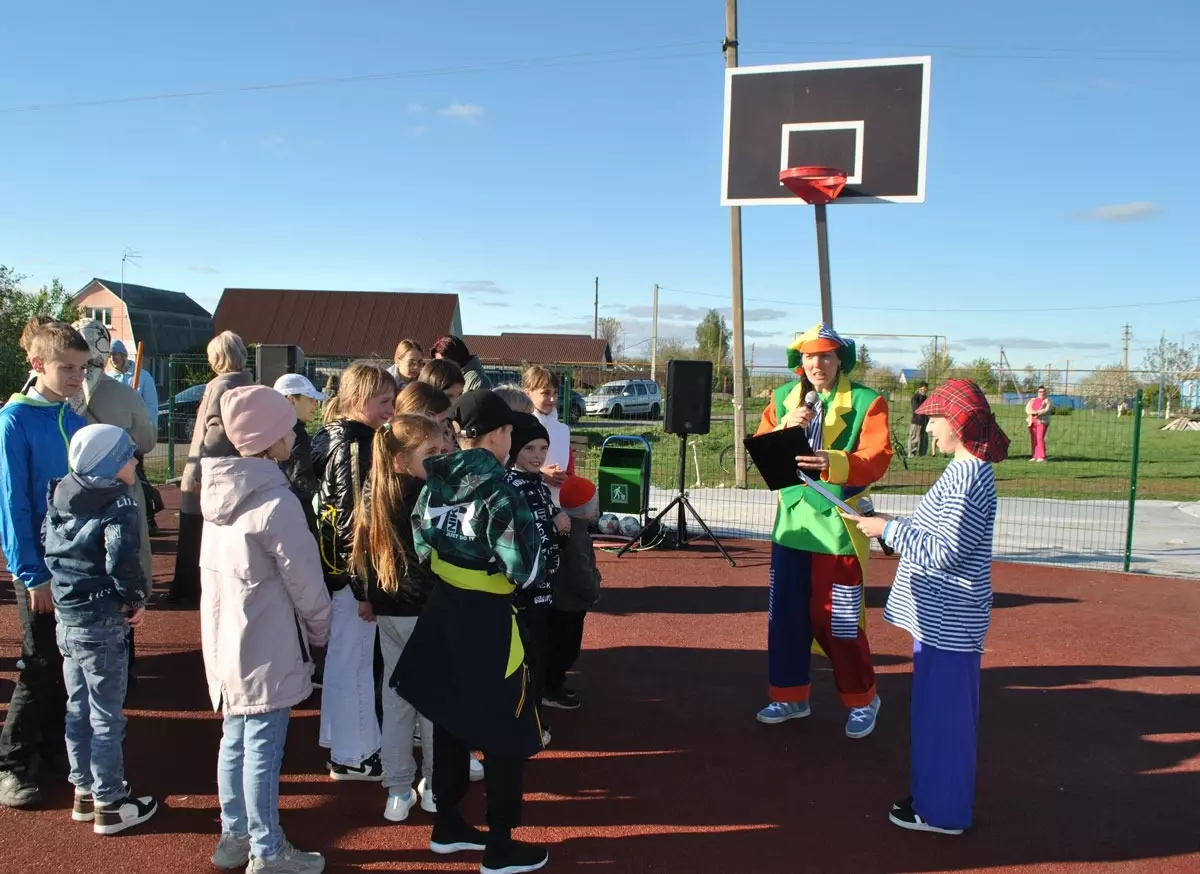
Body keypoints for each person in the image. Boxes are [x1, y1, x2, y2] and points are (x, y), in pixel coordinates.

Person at [391, 390, 549, 874]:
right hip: (489, 619)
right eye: (508, 432)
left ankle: (449, 823)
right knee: (506, 729)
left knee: (451, 716)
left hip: (444, 611)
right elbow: (526, 568)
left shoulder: (435, 480)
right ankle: (500, 846)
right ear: (499, 436)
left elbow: (421, 543)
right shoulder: (501, 490)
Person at [844, 379, 1008, 835]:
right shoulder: (963, 470)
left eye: (936, 418)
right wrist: (888, 524)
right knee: (935, 718)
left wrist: (887, 532)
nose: (929, 425)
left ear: (959, 424)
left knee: (946, 722)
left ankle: (943, 812)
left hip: (951, 622)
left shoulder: (969, 476)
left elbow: (946, 551)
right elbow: (936, 530)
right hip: (940, 619)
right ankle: (934, 796)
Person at [200, 385, 332, 873]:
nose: (294, 436)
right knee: (262, 747)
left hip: (227, 639)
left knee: (234, 739)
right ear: (271, 438)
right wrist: (322, 630)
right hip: (268, 639)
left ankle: (235, 834)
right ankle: (268, 848)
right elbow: (305, 581)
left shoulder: (217, 492)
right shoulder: (276, 502)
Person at [753, 324, 893, 738]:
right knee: (786, 618)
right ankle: (790, 694)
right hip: (792, 524)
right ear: (800, 361)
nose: (817, 364)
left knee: (841, 622)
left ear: (840, 360)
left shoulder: (868, 401)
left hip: (837, 527)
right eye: (809, 356)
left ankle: (863, 698)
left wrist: (832, 460)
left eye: (826, 356)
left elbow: (876, 457)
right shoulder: (782, 398)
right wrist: (784, 429)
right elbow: (762, 451)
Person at [44, 424, 159, 834]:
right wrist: (134, 598)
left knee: (78, 707)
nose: (135, 461)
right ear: (111, 465)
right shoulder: (119, 505)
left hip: (68, 616)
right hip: (103, 618)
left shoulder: (60, 494)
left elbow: (50, 545)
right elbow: (120, 560)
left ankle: (84, 791)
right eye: (129, 455)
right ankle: (110, 802)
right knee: (107, 714)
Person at [0, 321, 89, 808]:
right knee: (38, 662)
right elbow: (12, 505)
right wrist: (32, 574)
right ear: (37, 366)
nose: (78, 377)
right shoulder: (15, 420)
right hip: (40, 567)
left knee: (66, 658)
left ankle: (51, 749)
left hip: (74, 562)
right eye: (68, 369)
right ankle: (11, 762)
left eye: (82, 368)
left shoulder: (70, 416)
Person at [350, 413, 444, 822]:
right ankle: (436, 785)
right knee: (436, 703)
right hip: (426, 610)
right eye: (432, 453)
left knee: (398, 700)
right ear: (402, 458)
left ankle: (398, 791)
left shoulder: (373, 491)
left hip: (390, 610)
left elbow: (358, 549)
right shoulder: (428, 495)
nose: (441, 459)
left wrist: (366, 595)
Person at [312, 362, 396, 781]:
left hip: (339, 573)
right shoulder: (355, 446)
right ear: (358, 400)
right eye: (384, 402)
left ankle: (343, 744)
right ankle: (354, 753)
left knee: (347, 660)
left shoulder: (336, 439)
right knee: (356, 662)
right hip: (350, 575)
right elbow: (352, 521)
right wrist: (365, 587)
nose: (391, 409)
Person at [71, 319, 158, 686]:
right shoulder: (123, 395)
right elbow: (148, 441)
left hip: (71, 495)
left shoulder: (55, 395)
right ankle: (125, 658)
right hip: (119, 492)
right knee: (126, 559)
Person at [165, 331, 253, 605]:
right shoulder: (248, 384)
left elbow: (216, 430)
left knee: (193, 531)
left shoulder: (219, 386)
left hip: (208, 469)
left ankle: (187, 589)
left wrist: (203, 465)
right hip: (234, 468)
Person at [504, 413, 568, 744]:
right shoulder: (511, 486)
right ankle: (523, 727)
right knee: (526, 662)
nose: (538, 456)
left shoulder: (536, 484)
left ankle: (530, 721)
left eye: (543, 448)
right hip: (522, 593)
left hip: (542, 588)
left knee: (538, 658)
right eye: (530, 447)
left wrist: (560, 528)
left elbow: (547, 535)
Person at [543, 475, 601, 711]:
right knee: (566, 649)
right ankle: (550, 687)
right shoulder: (576, 535)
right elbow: (581, 571)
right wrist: (593, 590)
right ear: (588, 507)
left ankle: (553, 683)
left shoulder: (567, 525)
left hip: (559, 599)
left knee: (556, 644)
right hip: (570, 602)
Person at [106, 338, 164, 534]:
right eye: (110, 354)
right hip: (116, 436)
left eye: (116, 354)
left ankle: (148, 517)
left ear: (123, 355)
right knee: (119, 478)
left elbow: (151, 406)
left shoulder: (142, 377)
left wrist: (147, 432)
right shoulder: (108, 378)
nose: (113, 358)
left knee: (137, 474)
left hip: (136, 435)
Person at [273, 373, 327, 537]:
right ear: (291, 400)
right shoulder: (296, 434)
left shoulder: (273, 430)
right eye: (310, 398)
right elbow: (300, 481)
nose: (315, 405)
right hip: (297, 516)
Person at [523, 366, 575, 504]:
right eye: (545, 393)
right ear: (528, 393)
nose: (552, 399)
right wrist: (541, 475)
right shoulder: (518, 427)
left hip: (555, 505)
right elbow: (509, 468)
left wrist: (565, 479)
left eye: (555, 393)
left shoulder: (563, 430)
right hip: (525, 503)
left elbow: (569, 469)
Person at [395, 381, 456, 453]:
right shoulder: (405, 452)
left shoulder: (448, 438)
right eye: (441, 421)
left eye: (446, 419)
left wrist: (449, 451)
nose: (446, 425)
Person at [1025, 385, 1051, 462]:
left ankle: (1042, 456)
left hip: (1041, 422)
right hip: (1031, 422)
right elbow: (1027, 408)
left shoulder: (1047, 401)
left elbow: (1047, 409)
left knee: (1039, 438)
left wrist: (1037, 413)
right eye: (1040, 391)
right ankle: (1034, 456)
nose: (1041, 393)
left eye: (1043, 391)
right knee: (1033, 439)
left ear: (1045, 392)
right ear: (1037, 392)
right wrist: (1031, 412)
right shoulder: (1032, 400)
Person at [909, 381, 930, 457]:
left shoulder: (926, 398)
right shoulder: (915, 398)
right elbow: (916, 410)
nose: (924, 390)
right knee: (914, 438)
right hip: (916, 421)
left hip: (925, 421)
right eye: (923, 388)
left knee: (924, 439)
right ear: (919, 388)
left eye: (925, 389)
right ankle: (912, 454)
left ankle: (923, 454)